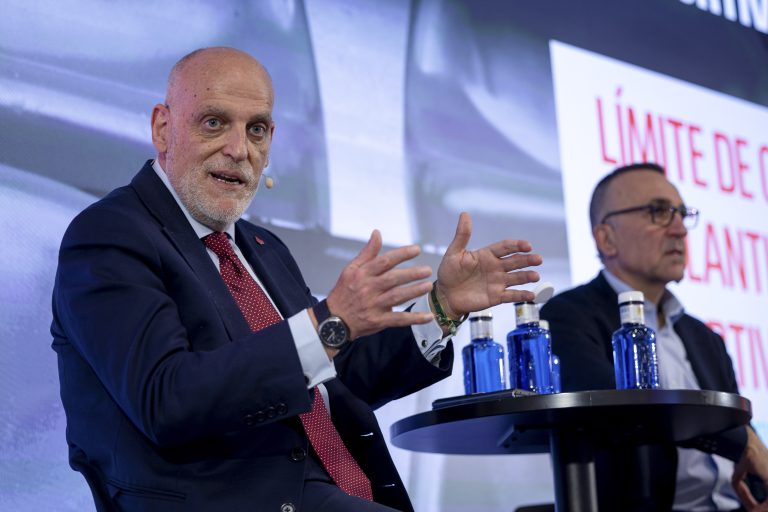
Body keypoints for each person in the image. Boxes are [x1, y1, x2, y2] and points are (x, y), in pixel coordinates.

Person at [50, 47, 542, 512]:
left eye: (257, 130)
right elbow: (166, 399)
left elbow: (336, 376)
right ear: (163, 127)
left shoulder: (262, 247)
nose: (239, 149)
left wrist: (441, 307)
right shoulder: (110, 234)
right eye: (214, 122)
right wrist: (329, 324)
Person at [540, 163, 768, 511]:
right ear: (607, 238)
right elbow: (629, 412)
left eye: (681, 213)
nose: (679, 229)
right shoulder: (568, 316)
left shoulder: (704, 338)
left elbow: (753, 457)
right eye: (659, 212)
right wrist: (739, 440)